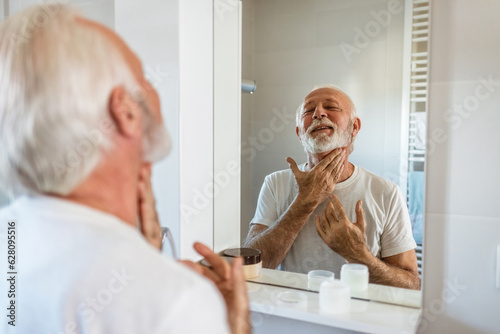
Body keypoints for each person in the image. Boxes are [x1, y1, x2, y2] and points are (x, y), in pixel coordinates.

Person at [0, 4, 250, 334]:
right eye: (144, 78)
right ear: (126, 112)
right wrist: (233, 325)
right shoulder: (175, 301)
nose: (155, 88)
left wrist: (140, 261)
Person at [244, 85, 420, 290]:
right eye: (308, 111)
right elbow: (251, 266)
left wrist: (358, 255)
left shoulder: (386, 193)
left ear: (354, 127)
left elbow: (411, 286)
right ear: (300, 133)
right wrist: (305, 200)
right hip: (294, 315)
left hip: (361, 319)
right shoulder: (275, 184)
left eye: (331, 107)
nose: (318, 113)